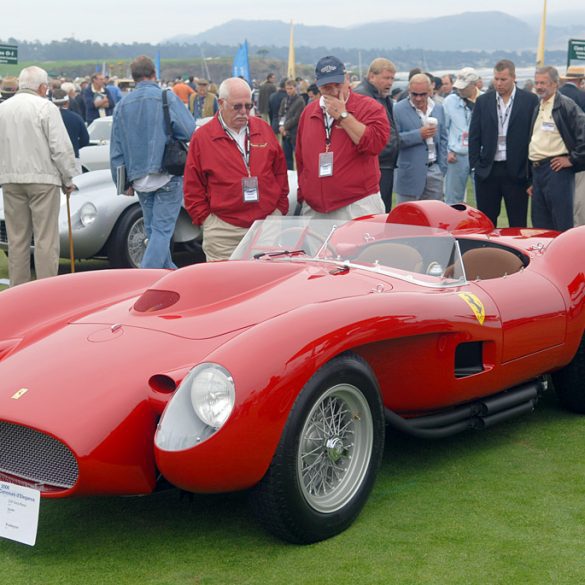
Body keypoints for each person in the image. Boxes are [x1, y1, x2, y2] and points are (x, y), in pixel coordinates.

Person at [183, 77, 289, 261]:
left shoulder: (263, 129)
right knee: (225, 285)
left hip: (266, 225)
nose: (244, 112)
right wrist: (207, 221)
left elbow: (280, 171)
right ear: (221, 104)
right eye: (237, 106)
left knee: (266, 284)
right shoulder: (203, 138)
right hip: (224, 231)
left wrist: (278, 210)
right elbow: (193, 186)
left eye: (248, 106)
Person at [110, 55, 196, 269]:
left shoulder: (121, 105)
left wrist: (122, 183)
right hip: (167, 173)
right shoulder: (166, 98)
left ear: (133, 77)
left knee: (154, 231)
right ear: (154, 75)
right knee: (162, 231)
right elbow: (189, 130)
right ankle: (143, 280)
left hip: (138, 178)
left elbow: (117, 150)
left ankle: (168, 274)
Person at [0, 66, 77, 286]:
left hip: (11, 179)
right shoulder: (46, 107)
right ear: (43, 87)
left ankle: (19, 290)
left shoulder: (3, 108)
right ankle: (46, 290)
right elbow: (60, 148)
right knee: (46, 239)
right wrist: (69, 178)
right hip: (43, 179)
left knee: (17, 240)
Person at [295, 55, 389, 219]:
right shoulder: (308, 113)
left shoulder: (369, 107)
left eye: (337, 85)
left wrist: (344, 117)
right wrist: (304, 193)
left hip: (357, 204)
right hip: (315, 208)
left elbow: (375, 145)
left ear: (347, 79)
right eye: (326, 87)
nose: (333, 91)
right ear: (318, 85)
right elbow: (301, 158)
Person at [469, 59, 539, 227]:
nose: (498, 83)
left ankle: (516, 254)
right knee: (486, 222)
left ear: (513, 78)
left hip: (516, 171)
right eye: (496, 79)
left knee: (517, 222)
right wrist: (475, 166)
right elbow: (474, 136)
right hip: (488, 170)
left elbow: (534, 137)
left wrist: (529, 172)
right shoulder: (483, 101)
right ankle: (487, 253)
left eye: (503, 79)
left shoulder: (529, 100)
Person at [528, 66, 585, 232]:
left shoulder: (565, 105)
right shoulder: (539, 107)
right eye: (537, 83)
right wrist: (532, 178)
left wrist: (572, 159)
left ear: (555, 84)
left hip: (556, 170)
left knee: (560, 223)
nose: (539, 86)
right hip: (538, 172)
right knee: (540, 225)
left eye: (543, 83)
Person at [393, 73, 448, 204]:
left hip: (434, 171)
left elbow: (443, 139)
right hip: (409, 174)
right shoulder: (398, 110)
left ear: (430, 90)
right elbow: (393, 140)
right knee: (407, 219)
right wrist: (419, 135)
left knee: (434, 218)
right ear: (409, 90)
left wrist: (442, 167)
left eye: (422, 94)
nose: (418, 98)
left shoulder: (438, 108)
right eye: (414, 94)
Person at [354, 57, 400, 212]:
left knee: (382, 209)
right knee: (375, 212)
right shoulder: (363, 97)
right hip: (375, 164)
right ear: (372, 76)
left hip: (384, 163)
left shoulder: (382, 96)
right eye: (386, 78)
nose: (390, 82)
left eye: (392, 78)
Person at [443, 67, 481, 205]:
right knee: (452, 199)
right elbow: (444, 129)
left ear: (474, 85)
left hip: (478, 155)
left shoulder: (484, 100)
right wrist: (448, 151)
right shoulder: (449, 101)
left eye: (464, 87)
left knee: (482, 196)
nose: (460, 90)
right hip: (456, 156)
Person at [559, 66, 585, 226]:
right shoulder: (582, 97)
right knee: (579, 198)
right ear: (580, 80)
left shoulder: (557, 97)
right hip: (578, 155)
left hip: (557, 156)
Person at [52, 88, 89, 176]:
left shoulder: (47, 117)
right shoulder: (76, 117)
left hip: (52, 159)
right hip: (72, 157)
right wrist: (74, 146)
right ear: (67, 102)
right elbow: (85, 140)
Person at [278, 79, 305, 170]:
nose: (289, 90)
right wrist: (281, 126)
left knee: (298, 157)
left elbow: (297, 118)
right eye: (287, 88)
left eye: (291, 88)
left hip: (295, 133)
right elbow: (281, 114)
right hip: (285, 134)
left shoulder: (300, 101)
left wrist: (285, 127)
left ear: (295, 88)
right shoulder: (284, 100)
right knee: (286, 158)